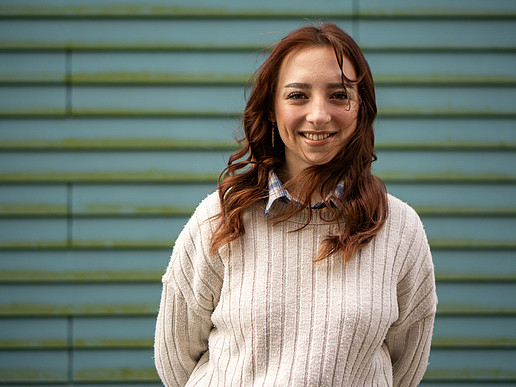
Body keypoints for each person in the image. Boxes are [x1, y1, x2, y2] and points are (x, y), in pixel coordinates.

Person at [154, 23, 437, 386]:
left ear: (361, 108)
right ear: (271, 109)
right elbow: (175, 362)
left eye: (339, 95)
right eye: (298, 95)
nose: (319, 115)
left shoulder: (400, 230)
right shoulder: (219, 220)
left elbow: (405, 368)